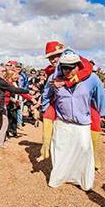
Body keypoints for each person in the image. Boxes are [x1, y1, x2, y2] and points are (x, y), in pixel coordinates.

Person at [40, 48, 105, 191]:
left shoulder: (92, 79)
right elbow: (46, 95)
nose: (68, 71)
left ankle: (82, 179)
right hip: (62, 123)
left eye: (71, 67)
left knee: (84, 151)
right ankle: (59, 177)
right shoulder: (53, 79)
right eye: (64, 68)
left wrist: (102, 114)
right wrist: (45, 110)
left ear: (79, 66)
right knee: (60, 152)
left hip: (82, 124)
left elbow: (100, 97)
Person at [0, 64, 31, 147]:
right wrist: (27, 91)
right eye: (1, 71)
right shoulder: (0, 80)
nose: (3, 73)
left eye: (4, 71)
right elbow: (13, 89)